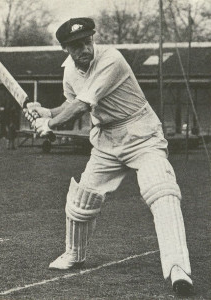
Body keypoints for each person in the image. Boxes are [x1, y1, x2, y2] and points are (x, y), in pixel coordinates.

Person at [24, 18, 194, 296]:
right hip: (106, 140)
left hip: (141, 135)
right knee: (81, 202)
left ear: (93, 39)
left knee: (162, 191)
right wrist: (47, 113)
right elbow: (70, 102)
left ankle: (178, 269)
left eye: (87, 41)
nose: (84, 49)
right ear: (65, 48)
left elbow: (82, 106)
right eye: (76, 46)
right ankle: (74, 254)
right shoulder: (69, 72)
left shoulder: (111, 59)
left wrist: (50, 125)